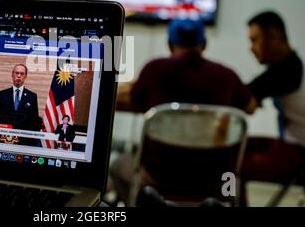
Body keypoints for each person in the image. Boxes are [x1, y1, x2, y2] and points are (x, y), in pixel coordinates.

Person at [110, 18, 257, 204]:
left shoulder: (154, 70)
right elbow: (250, 106)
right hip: (215, 178)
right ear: (204, 44)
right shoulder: (226, 75)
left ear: (170, 45)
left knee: (118, 166)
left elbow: (135, 101)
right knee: (234, 174)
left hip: (160, 176)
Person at [241, 11, 304, 203]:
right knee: (235, 150)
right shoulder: (290, 65)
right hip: (294, 147)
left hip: (300, 155)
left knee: (230, 164)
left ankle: (230, 200)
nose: (251, 48)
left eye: (255, 40)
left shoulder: (287, 70)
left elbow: (243, 100)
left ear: (274, 37)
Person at [0, 64, 41, 145]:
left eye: (22, 74)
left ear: (25, 76)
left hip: (23, 140)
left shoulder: (32, 96)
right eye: (17, 73)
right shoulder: (3, 94)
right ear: (12, 75)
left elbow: (34, 121)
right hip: (3, 138)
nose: (19, 76)